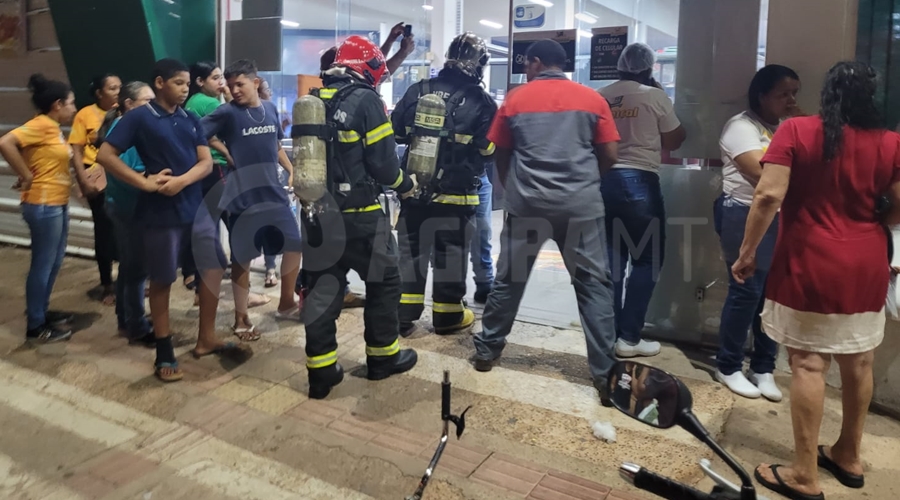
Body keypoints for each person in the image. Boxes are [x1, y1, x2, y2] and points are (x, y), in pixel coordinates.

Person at [733, 61, 894, 500]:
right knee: (860, 361)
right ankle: (848, 455)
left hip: (809, 260)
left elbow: (767, 194)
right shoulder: (892, 143)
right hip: (867, 263)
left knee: (807, 364)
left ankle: (804, 474)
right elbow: (898, 209)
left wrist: (747, 253)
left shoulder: (797, 131)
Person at [470, 39, 620, 405]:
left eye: (526, 62)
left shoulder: (515, 101)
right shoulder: (593, 99)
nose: (525, 68)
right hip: (582, 207)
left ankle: (488, 351)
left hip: (527, 205)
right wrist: (581, 185)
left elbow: (500, 155)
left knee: (509, 280)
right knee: (593, 287)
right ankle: (605, 377)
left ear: (536, 62)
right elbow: (611, 155)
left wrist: (518, 189)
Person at [97, 58, 241, 383]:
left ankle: (206, 339)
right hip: (160, 215)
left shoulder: (190, 117)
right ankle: (164, 349)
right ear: (160, 82)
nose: (185, 88)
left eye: (188, 83)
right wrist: (145, 182)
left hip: (195, 208)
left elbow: (205, 162)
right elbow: (105, 156)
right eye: (179, 83)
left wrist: (182, 181)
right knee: (162, 280)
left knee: (212, 269)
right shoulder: (139, 118)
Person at [299, 35, 419, 399]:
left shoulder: (314, 100)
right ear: (369, 71)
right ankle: (383, 358)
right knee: (385, 284)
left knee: (321, 292)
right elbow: (383, 165)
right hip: (361, 217)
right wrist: (406, 184)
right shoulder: (367, 100)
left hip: (317, 215)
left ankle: (321, 373)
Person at [391, 32, 497, 336]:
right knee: (450, 253)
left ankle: (403, 315)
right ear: (480, 64)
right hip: (457, 196)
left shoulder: (417, 90)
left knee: (411, 252)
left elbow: (397, 133)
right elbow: (488, 150)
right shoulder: (481, 100)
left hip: (413, 191)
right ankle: (447, 316)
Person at [714, 64, 801, 401]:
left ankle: (763, 367)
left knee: (774, 294)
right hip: (743, 214)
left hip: (780, 216)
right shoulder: (741, 126)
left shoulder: (786, 127)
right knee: (746, 292)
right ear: (762, 95)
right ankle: (729, 365)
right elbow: (761, 176)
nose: (791, 101)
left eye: (794, 93)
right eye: (783, 94)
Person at [200, 59, 301, 339]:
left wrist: (291, 169)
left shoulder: (268, 109)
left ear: (255, 83)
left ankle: (286, 302)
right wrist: (224, 152)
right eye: (229, 85)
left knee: (294, 245)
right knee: (242, 261)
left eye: (239, 84)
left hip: (274, 194)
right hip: (243, 198)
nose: (234, 90)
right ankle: (241, 318)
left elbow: (276, 144)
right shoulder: (227, 113)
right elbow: (196, 133)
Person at [598, 43, 687, 358]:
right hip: (640, 183)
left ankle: (607, 335)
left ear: (619, 66)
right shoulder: (654, 96)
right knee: (647, 259)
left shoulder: (601, 95)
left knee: (611, 260)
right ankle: (629, 338)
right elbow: (675, 139)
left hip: (603, 182)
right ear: (649, 68)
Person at [0, 74, 78, 342]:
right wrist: (25, 175)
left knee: (54, 262)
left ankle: (41, 312)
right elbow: (5, 142)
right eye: (71, 103)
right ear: (57, 104)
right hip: (43, 204)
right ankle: (35, 326)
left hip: (56, 202)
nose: (74, 108)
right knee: (43, 264)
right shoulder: (42, 125)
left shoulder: (52, 127)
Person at [94, 81, 157, 347]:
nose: (153, 106)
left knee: (130, 267)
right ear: (129, 104)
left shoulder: (122, 126)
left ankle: (126, 318)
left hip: (121, 204)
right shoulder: (127, 129)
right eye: (147, 101)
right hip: (130, 207)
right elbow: (131, 170)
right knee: (136, 270)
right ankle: (137, 326)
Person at [69, 74, 122, 306]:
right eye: (112, 88)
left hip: (122, 176)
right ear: (99, 93)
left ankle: (130, 280)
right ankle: (107, 285)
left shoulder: (124, 112)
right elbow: (77, 151)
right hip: (97, 177)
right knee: (103, 230)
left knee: (126, 230)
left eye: (120, 87)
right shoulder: (85, 114)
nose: (118, 92)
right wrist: (83, 180)